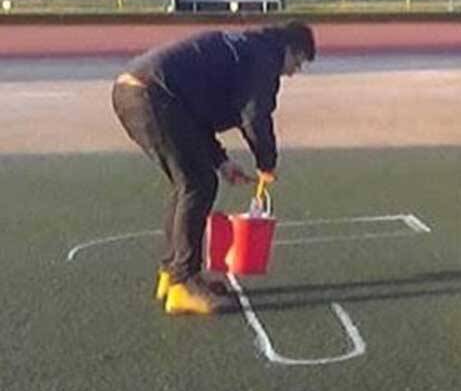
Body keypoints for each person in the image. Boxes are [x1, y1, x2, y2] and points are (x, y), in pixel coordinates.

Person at [111, 22, 316, 315]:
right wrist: (266, 162)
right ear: (290, 49)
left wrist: (221, 162)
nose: (293, 72)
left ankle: (173, 273)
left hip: (139, 91)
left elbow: (193, 116)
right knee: (197, 184)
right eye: (297, 63)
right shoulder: (264, 59)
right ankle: (183, 284)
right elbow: (255, 115)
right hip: (151, 95)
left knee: (188, 184)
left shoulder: (248, 48)